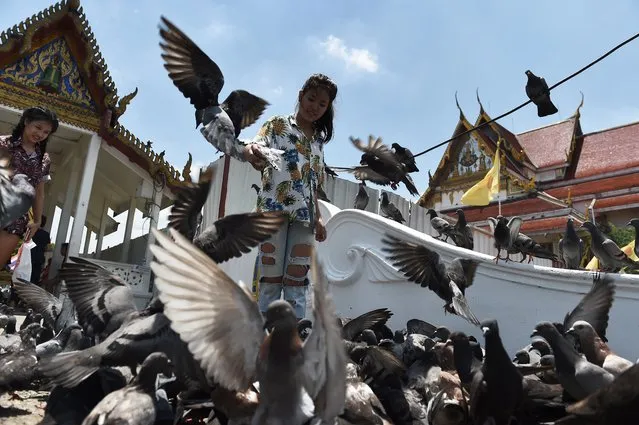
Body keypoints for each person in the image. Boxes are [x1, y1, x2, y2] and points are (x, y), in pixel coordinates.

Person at [238, 73, 337, 319]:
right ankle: (263, 336)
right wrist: (251, 151)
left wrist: (319, 218)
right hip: (273, 210)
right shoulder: (277, 125)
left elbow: (312, 182)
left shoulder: (318, 142)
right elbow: (257, 144)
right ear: (301, 96)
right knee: (270, 278)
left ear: (327, 109)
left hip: (305, 217)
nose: (315, 107)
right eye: (311, 99)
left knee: (297, 279)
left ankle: (296, 338)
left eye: (322, 104)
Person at [0, 106, 58, 270]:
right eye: (38, 127)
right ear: (26, 122)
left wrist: (37, 221)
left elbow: (39, 193)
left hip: (16, 221)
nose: (40, 134)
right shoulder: (3, 143)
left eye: (46, 132)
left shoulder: (43, 160)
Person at [30, 215, 51, 284]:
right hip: (39, 258)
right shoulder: (46, 234)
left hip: (29, 256)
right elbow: (47, 248)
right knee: (34, 278)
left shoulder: (31, 231)